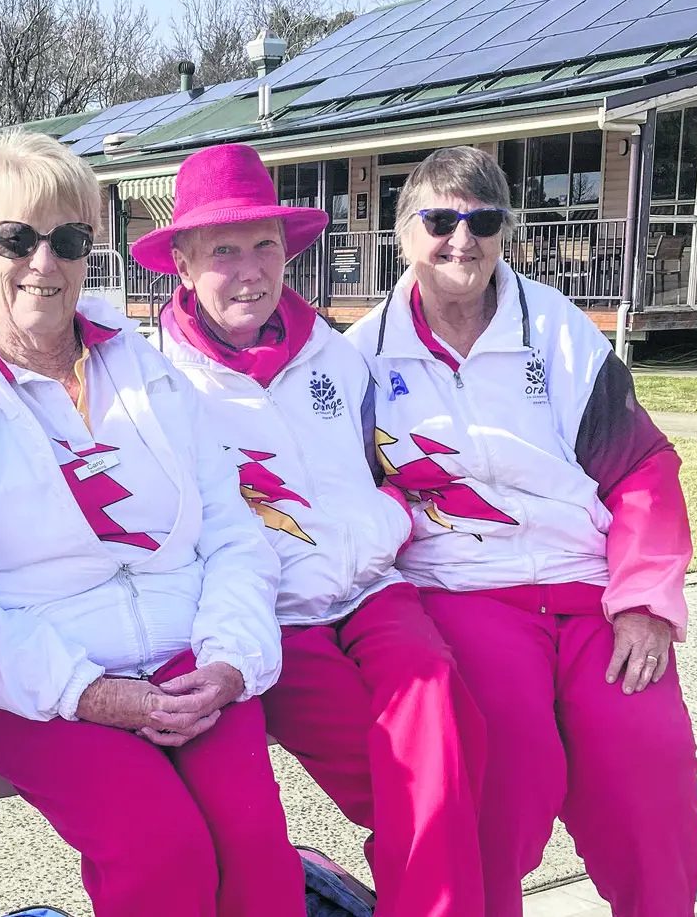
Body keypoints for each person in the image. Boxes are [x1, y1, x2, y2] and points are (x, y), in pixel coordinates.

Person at [0, 130, 304, 917]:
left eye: (68, 239)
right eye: (17, 238)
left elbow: (233, 534)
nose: (45, 263)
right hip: (41, 688)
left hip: (190, 662)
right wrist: (94, 692)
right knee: (161, 853)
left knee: (256, 852)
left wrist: (230, 659)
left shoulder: (151, 369)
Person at [345, 146, 697, 917]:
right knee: (497, 774)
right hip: (466, 590)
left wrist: (644, 598)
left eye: (483, 220)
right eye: (439, 220)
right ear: (403, 231)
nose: (461, 240)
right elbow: (346, 498)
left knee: (648, 765)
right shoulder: (362, 360)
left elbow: (641, 468)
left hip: (589, 590)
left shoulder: (559, 330)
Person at [138, 142, 486, 917]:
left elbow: (392, 461)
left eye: (265, 245)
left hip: (376, 591)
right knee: (422, 782)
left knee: (439, 713)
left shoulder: (339, 351)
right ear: (183, 265)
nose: (251, 269)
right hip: (278, 619)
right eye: (223, 250)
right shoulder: (156, 380)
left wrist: (388, 520)